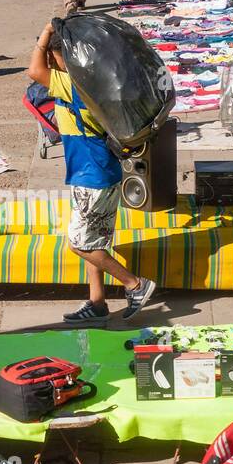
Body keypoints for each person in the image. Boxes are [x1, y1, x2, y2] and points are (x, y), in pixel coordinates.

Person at [27, 21, 158, 324]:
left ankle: (135, 285)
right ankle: (97, 303)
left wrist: (46, 34)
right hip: (105, 171)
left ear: (60, 54)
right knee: (95, 240)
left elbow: (34, 72)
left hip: (92, 176)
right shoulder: (97, 81)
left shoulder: (73, 84)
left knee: (80, 244)